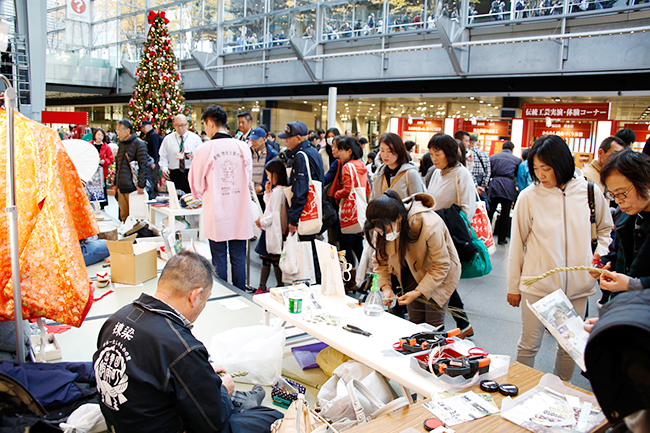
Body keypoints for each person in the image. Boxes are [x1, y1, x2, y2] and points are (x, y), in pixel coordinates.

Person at [94, 251, 282, 433]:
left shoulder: (116, 319)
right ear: (195, 296)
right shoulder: (181, 347)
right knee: (270, 418)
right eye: (205, 301)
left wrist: (199, 371)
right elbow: (213, 421)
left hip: (123, 423)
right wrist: (223, 390)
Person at [507, 134, 613, 381]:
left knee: (569, 346)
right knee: (529, 344)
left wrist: (597, 260)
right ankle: (519, 388)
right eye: (536, 169)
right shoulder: (529, 197)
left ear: (562, 163)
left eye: (546, 168)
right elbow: (517, 244)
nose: (541, 175)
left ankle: (559, 390)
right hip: (538, 286)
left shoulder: (589, 191)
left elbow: (606, 230)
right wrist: (514, 286)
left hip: (578, 287)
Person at [365, 191, 461, 328]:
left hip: (438, 275)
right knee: (414, 322)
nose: (382, 234)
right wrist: (386, 287)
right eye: (379, 231)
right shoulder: (382, 223)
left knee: (433, 325)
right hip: (408, 270)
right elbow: (380, 260)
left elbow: (441, 265)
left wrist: (418, 292)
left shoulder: (429, 224)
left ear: (398, 218)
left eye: (384, 230)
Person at [190, 105, 254, 290]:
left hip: (217, 210)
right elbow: (247, 179)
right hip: (240, 208)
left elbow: (197, 184)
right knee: (238, 255)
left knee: (219, 256)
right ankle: (241, 294)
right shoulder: (243, 146)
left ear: (210, 123)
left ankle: (223, 294)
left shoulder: (205, 148)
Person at [425, 133, 476, 338]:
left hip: (450, 236)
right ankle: (463, 324)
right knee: (445, 279)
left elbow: (467, 209)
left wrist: (446, 218)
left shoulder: (461, 174)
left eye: (437, 154)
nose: (434, 158)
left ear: (449, 153)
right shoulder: (437, 172)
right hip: (433, 234)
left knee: (445, 278)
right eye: (431, 154)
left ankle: (454, 325)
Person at [590, 150, 650, 297]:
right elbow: (616, 254)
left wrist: (635, 285)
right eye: (613, 194)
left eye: (622, 193)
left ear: (646, 183)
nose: (618, 201)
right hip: (623, 307)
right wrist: (604, 264)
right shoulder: (626, 217)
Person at [280, 120, 324, 282]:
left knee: (306, 254)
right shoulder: (313, 152)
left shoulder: (300, 156)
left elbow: (301, 190)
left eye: (288, 138)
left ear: (298, 138)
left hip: (304, 212)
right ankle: (316, 284)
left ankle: (309, 286)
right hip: (314, 209)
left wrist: (293, 218)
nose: (284, 141)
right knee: (311, 250)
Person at [333, 136, 371, 266]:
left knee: (345, 248)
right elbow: (367, 188)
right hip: (360, 210)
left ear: (349, 151)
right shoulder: (362, 165)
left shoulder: (347, 167)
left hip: (349, 212)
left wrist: (336, 194)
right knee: (358, 246)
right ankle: (365, 275)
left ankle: (350, 278)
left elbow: (348, 190)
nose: (339, 153)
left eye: (341, 150)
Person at [254, 158, 288, 295]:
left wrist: (261, 222)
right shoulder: (278, 191)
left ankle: (274, 286)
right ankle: (267, 286)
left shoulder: (279, 192)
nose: (267, 178)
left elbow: (274, 214)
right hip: (271, 230)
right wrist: (268, 192)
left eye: (269, 175)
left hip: (271, 230)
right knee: (269, 259)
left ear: (275, 175)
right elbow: (271, 207)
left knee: (272, 260)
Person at [114, 119, 151, 221]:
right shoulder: (121, 144)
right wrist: (115, 183)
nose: (118, 133)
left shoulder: (140, 144)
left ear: (128, 130)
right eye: (117, 131)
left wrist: (141, 184)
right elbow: (118, 165)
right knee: (123, 217)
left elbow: (143, 166)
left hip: (133, 187)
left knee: (135, 218)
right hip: (121, 186)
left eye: (120, 130)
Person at [370, 132, 424, 201]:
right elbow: (373, 199)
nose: (385, 155)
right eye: (382, 150)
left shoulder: (410, 173)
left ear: (398, 150)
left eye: (389, 151)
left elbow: (418, 203)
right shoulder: (379, 173)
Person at [487, 141, 521, 245]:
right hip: (508, 187)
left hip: (495, 185)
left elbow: (489, 173)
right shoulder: (517, 160)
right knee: (505, 214)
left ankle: (486, 236)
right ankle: (502, 238)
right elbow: (517, 176)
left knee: (490, 212)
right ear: (512, 149)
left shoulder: (493, 157)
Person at [159, 114, 202, 194]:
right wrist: (164, 168)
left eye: (182, 125)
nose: (180, 128)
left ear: (187, 125)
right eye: (177, 125)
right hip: (175, 172)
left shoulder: (195, 138)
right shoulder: (168, 139)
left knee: (191, 197)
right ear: (174, 125)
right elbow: (163, 155)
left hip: (191, 172)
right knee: (175, 197)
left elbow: (202, 156)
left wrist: (194, 156)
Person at [249, 126, 278, 210]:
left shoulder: (272, 154)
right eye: (252, 140)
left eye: (256, 140)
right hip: (251, 193)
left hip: (265, 193)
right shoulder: (249, 152)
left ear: (264, 139)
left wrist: (262, 186)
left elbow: (273, 174)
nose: (253, 142)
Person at [465, 132, 491, 204]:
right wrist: (483, 186)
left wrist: (475, 186)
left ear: (469, 142)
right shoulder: (484, 154)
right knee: (483, 205)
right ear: (477, 142)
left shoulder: (468, 154)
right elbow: (488, 171)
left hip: (472, 181)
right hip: (482, 180)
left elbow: (469, 172)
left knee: (473, 203)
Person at [92, 128, 114, 209]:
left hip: (102, 171)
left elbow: (110, 158)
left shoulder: (106, 146)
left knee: (102, 187)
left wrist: (104, 161)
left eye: (101, 135)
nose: (100, 137)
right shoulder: (90, 144)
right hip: (91, 170)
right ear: (94, 135)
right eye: (98, 134)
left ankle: (102, 205)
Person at [140, 120, 162, 195]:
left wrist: (153, 162)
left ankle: (154, 195)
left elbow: (155, 150)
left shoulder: (153, 135)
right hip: (151, 161)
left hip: (154, 161)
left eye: (144, 126)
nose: (143, 129)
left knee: (153, 179)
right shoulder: (149, 135)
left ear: (150, 126)